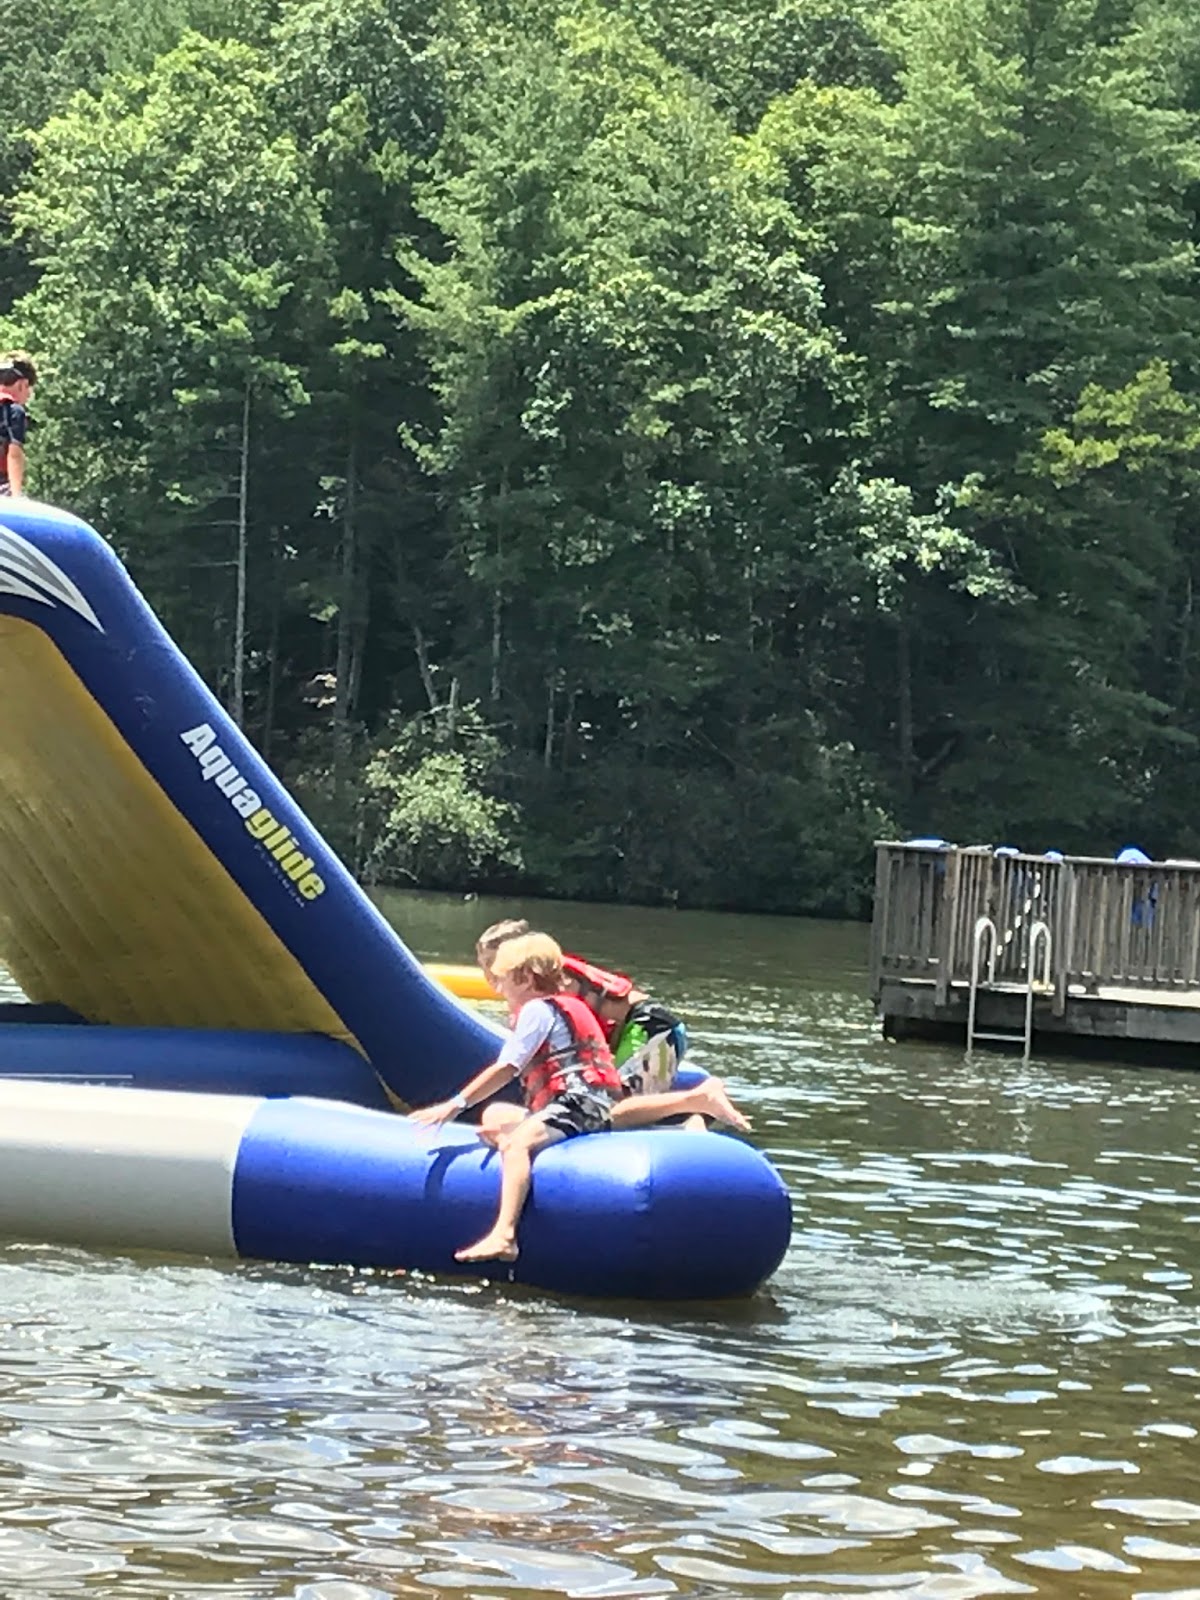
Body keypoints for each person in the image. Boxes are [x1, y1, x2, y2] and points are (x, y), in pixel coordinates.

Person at [409, 932, 626, 1263]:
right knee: (495, 1114)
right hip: (582, 1103)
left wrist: (454, 1105)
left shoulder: (537, 1010)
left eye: (504, 979)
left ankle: (505, 1235)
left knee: (516, 1145)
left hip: (579, 1104)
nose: (499, 989)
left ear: (525, 978)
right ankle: (510, 1143)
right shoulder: (562, 1005)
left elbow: (507, 1068)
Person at [473, 920, 750, 1133]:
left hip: (650, 1028)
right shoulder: (535, 982)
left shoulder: (550, 978)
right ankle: (691, 1117)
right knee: (606, 1107)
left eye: (491, 962)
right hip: (644, 1029)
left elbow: (573, 1028)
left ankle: (695, 1106)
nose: (490, 973)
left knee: (607, 1108)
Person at [0, 353, 38, 499]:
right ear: (22, 384)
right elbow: (14, 454)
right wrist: (16, 496)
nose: (28, 394)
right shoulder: (13, 411)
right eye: (29, 388)